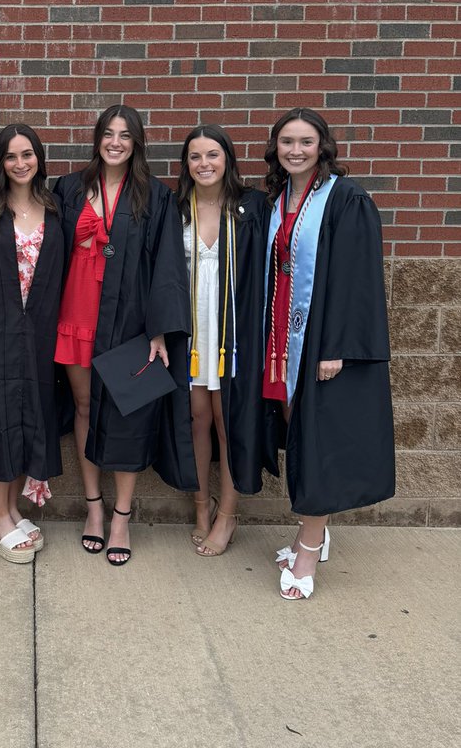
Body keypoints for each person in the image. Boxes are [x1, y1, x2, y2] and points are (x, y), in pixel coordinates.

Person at [53, 104, 195, 566]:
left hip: (130, 320)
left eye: (125, 135)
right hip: (76, 312)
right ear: (97, 138)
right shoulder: (70, 188)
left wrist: (158, 331)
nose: (116, 142)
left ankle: (121, 516)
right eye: (108, 133)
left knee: (128, 412)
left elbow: (168, 267)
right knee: (83, 406)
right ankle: (93, 508)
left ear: (137, 143)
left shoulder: (155, 196)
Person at [263, 108, 394, 600]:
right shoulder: (282, 198)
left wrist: (335, 345)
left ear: (323, 147)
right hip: (282, 339)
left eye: (306, 142)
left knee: (316, 442)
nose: (295, 150)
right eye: (287, 142)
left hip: (321, 343)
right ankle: (311, 529)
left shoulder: (345, 198)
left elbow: (358, 278)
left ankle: (309, 548)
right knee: (300, 433)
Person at [177, 125, 271, 556]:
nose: (204, 164)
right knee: (196, 418)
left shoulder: (251, 207)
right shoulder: (178, 207)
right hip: (193, 331)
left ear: (228, 159)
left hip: (234, 331)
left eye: (212, 155)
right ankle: (201, 504)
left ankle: (228, 515)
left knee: (226, 419)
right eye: (195, 157)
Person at [0, 124, 64, 562]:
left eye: (27, 154)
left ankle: (12, 509)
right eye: (11, 156)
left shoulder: (55, 208)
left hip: (38, 332)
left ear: (39, 158)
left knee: (30, 413)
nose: (20, 163)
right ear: (0, 163)